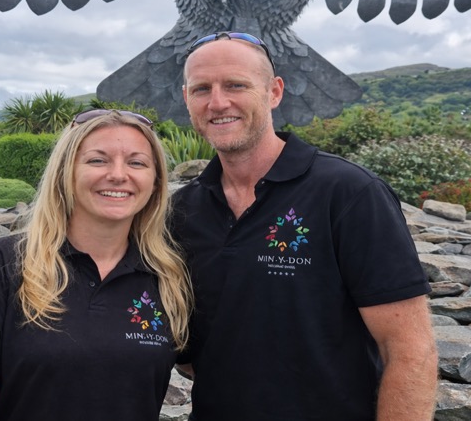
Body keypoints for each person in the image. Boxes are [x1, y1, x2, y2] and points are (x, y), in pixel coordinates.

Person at [171, 32, 438, 420]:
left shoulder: (349, 193)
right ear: (186, 100)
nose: (217, 102)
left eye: (235, 85)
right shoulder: (183, 210)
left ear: (274, 92)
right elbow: (189, 347)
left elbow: (410, 350)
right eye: (201, 89)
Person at [0, 109, 192, 420]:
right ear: (66, 171)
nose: (119, 174)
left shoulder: (168, 276)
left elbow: (215, 365)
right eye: (97, 160)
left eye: (137, 162)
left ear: (156, 180)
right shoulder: (0, 265)